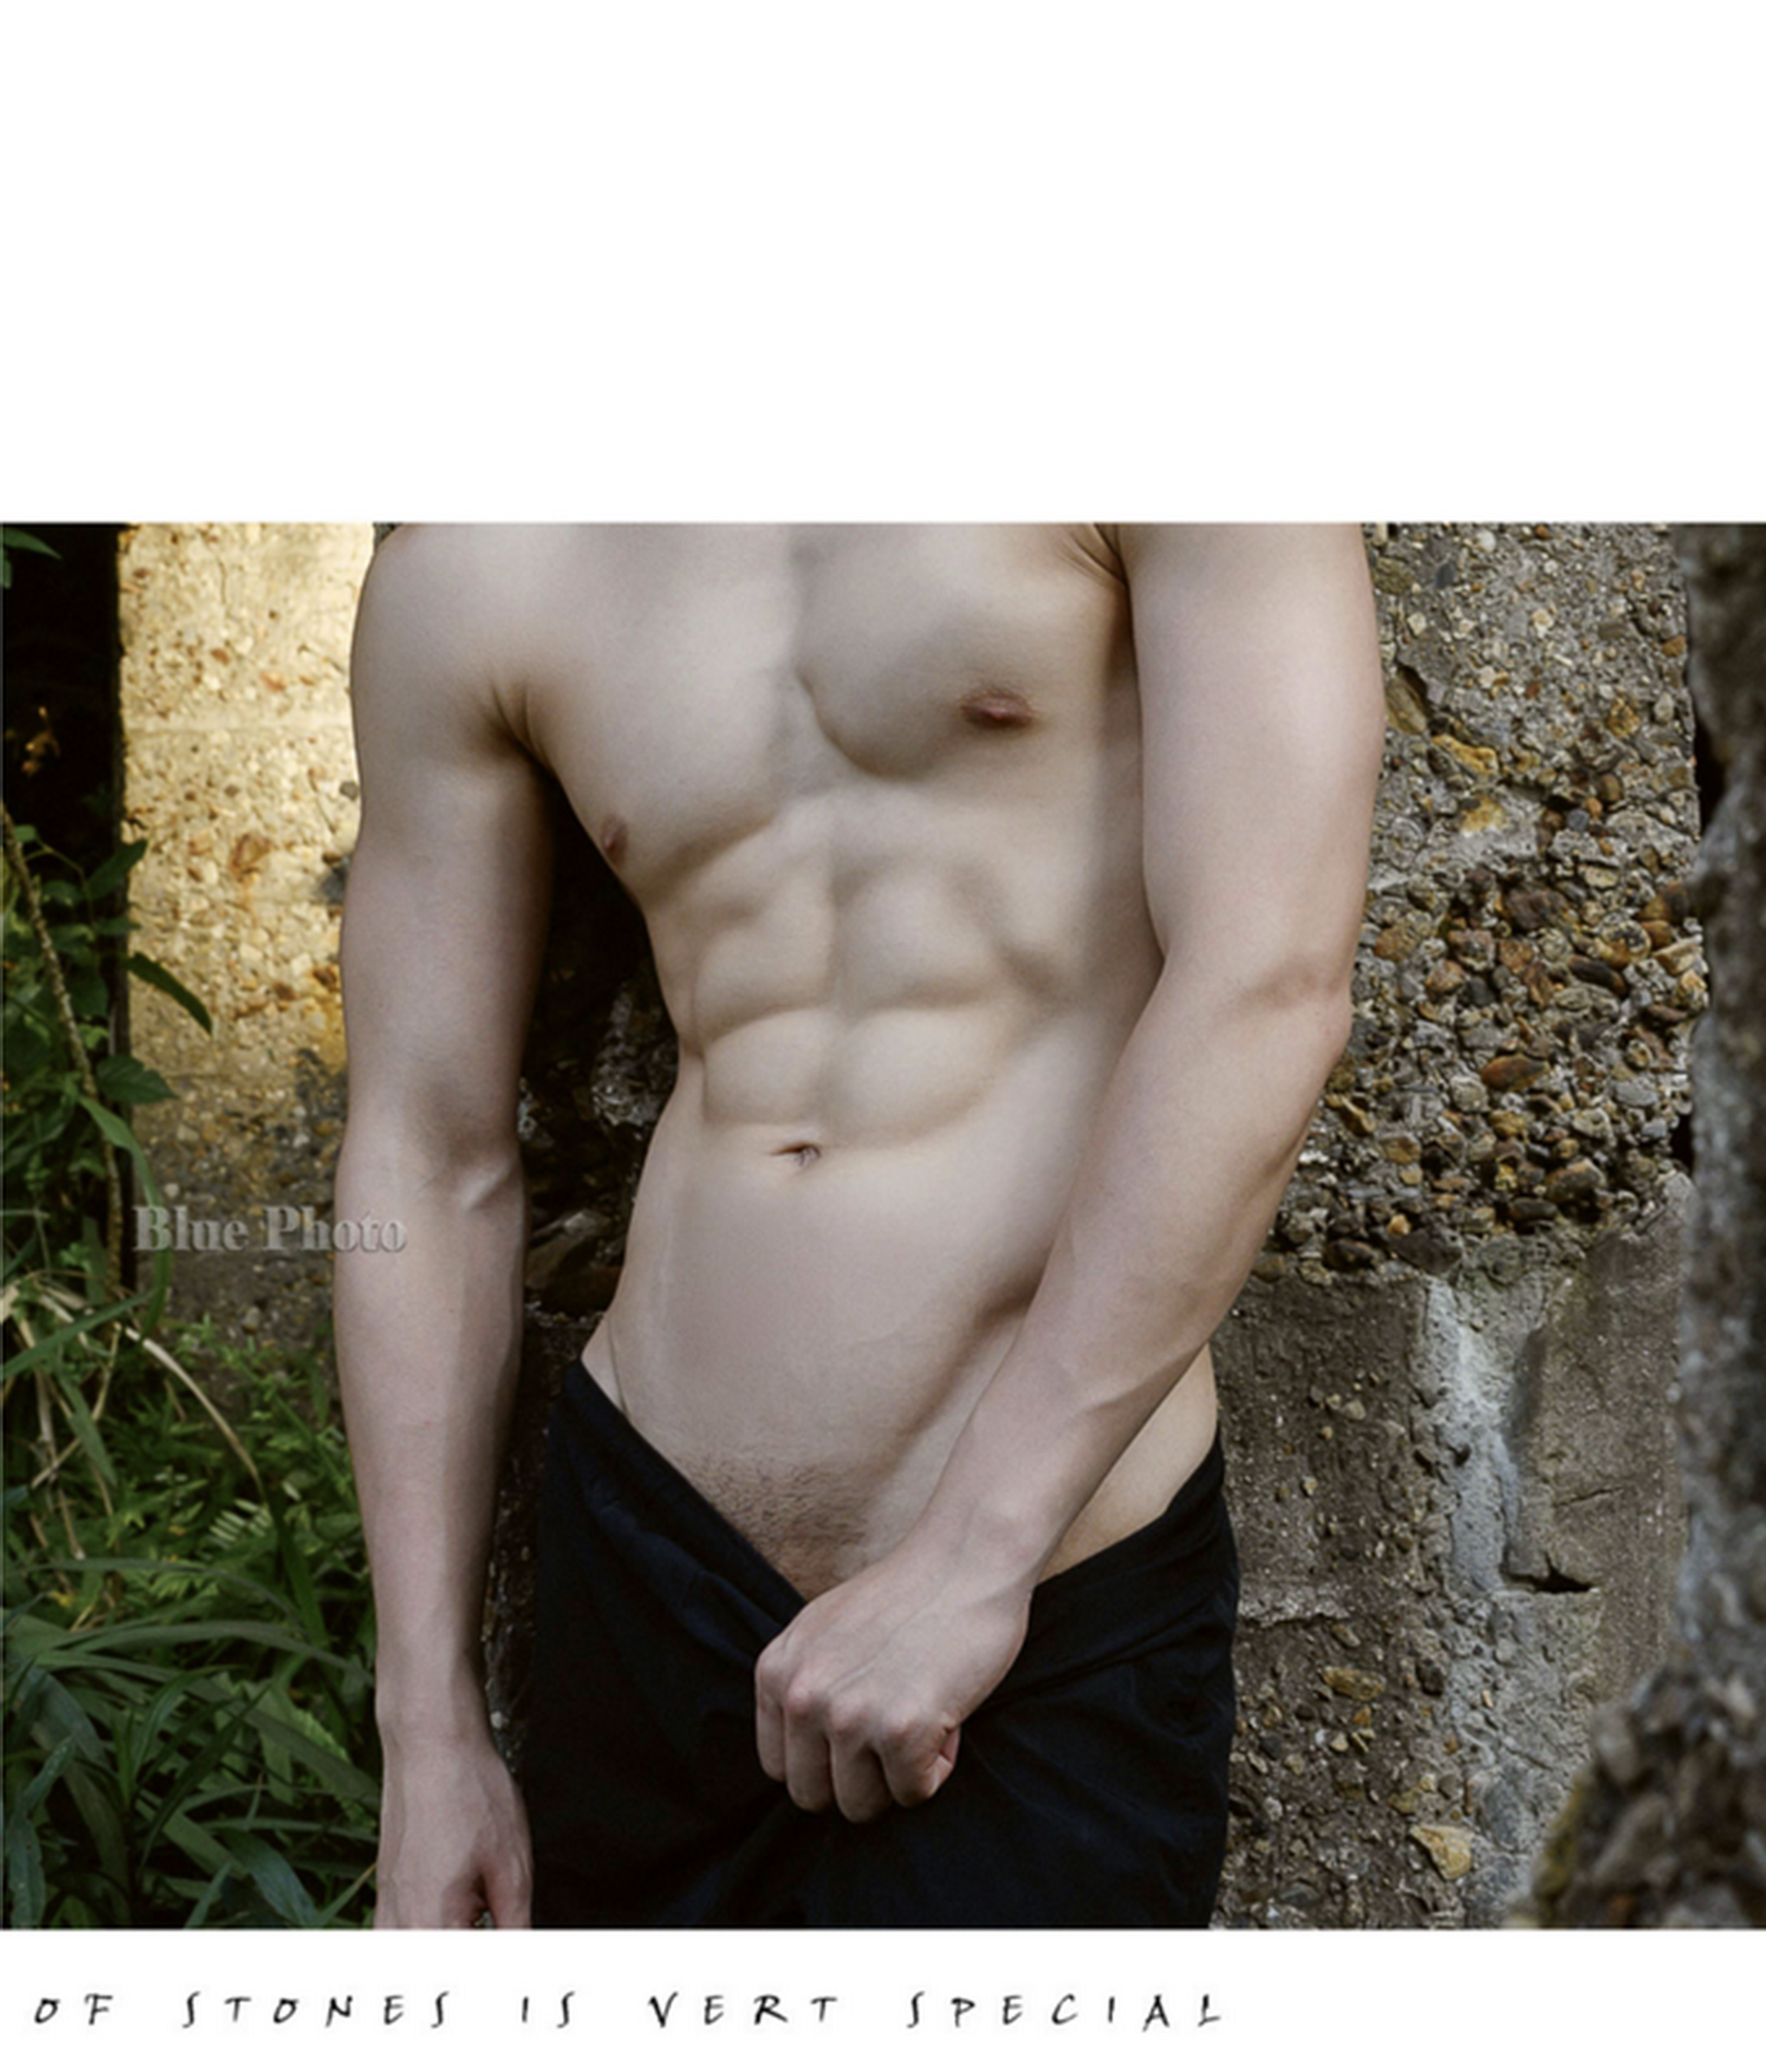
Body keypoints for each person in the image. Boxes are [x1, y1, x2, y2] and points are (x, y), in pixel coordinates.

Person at [335, 523, 1382, 1928]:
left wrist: (975, 1558)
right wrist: (427, 1728)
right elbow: (422, 1148)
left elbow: (1270, 984)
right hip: (648, 1581)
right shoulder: (474, 568)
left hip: (1041, 1587)